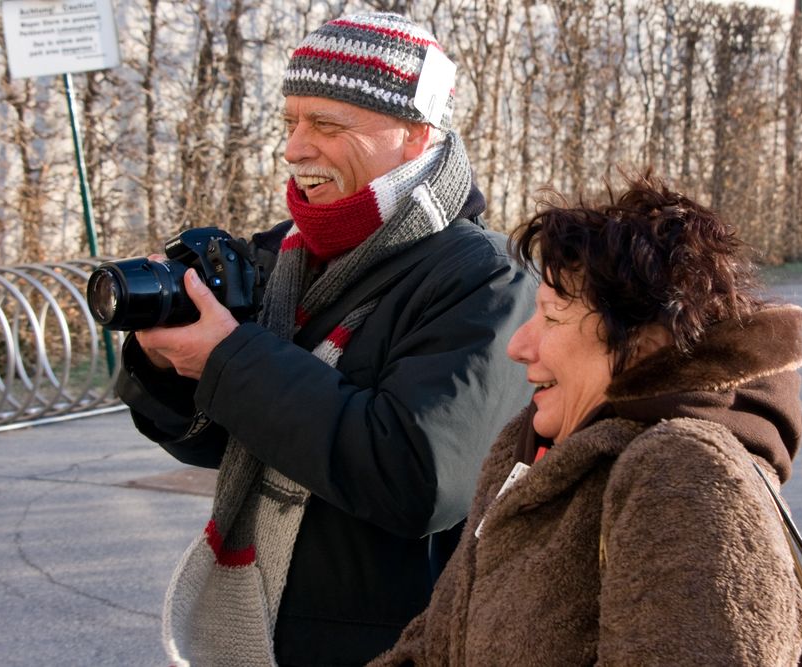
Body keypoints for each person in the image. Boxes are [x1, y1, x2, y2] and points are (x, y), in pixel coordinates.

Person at [114, 11, 535, 667]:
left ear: (415, 133)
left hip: (399, 643)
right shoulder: (284, 256)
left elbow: (419, 479)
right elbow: (221, 444)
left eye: (327, 125)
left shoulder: (486, 278)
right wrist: (167, 363)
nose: (294, 148)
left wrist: (229, 359)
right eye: (291, 122)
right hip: (268, 630)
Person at [371, 172, 802, 666]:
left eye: (551, 316)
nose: (518, 346)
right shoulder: (528, 448)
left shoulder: (685, 472)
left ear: (646, 343)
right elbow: (441, 641)